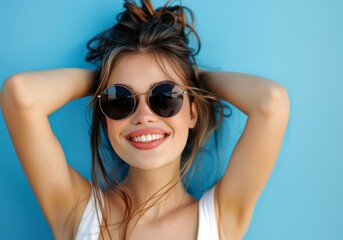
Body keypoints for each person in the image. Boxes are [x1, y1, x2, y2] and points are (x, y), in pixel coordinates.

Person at [0, 0, 290, 239]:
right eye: (120, 101)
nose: (143, 116)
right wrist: (105, 82)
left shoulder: (220, 217)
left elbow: (271, 102)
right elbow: (21, 94)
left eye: (165, 97)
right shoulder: (77, 211)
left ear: (192, 111)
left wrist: (191, 80)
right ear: (104, 117)